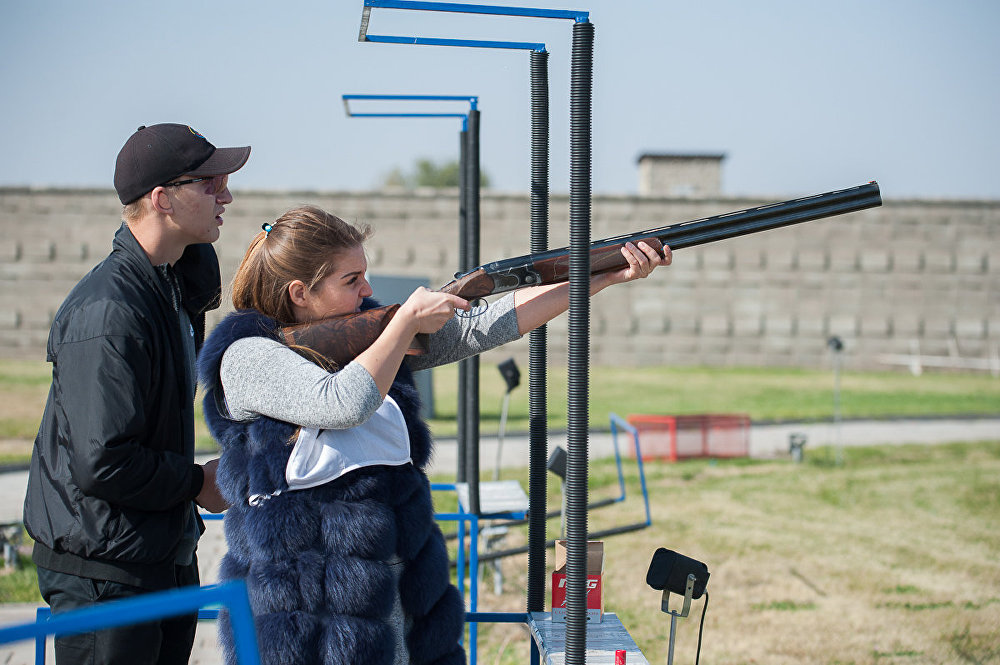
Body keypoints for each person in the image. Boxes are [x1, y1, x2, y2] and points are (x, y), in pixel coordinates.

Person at [197, 205, 671, 665]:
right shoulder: (247, 357)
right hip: (304, 610)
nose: (368, 290)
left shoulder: (364, 334)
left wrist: (598, 277)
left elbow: (481, 326)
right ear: (300, 292)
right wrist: (403, 323)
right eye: (351, 280)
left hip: (393, 586)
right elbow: (341, 401)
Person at [23, 123, 250, 665]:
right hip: (107, 571)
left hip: (154, 555)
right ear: (161, 198)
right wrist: (197, 481)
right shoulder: (111, 311)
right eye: (209, 182)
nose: (227, 195)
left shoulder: (170, 288)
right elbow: (103, 463)